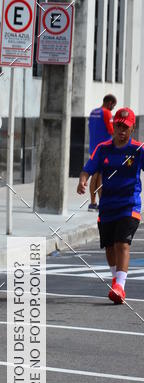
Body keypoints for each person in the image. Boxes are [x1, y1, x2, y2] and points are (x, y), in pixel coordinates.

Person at [78, 107, 142, 304]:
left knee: (122, 243)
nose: (121, 130)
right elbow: (88, 168)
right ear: (113, 127)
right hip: (107, 206)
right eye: (118, 126)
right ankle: (116, 282)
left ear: (132, 129)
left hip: (129, 205)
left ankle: (120, 286)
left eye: (126, 127)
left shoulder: (138, 150)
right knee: (109, 247)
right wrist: (83, 181)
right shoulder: (103, 148)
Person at [87, 94, 116, 210]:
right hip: (104, 149)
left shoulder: (93, 112)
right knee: (100, 176)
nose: (113, 108)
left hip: (93, 148)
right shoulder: (106, 113)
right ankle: (100, 202)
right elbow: (111, 130)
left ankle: (93, 202)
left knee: (95, 174)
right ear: (109, 103)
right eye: (113, 105)